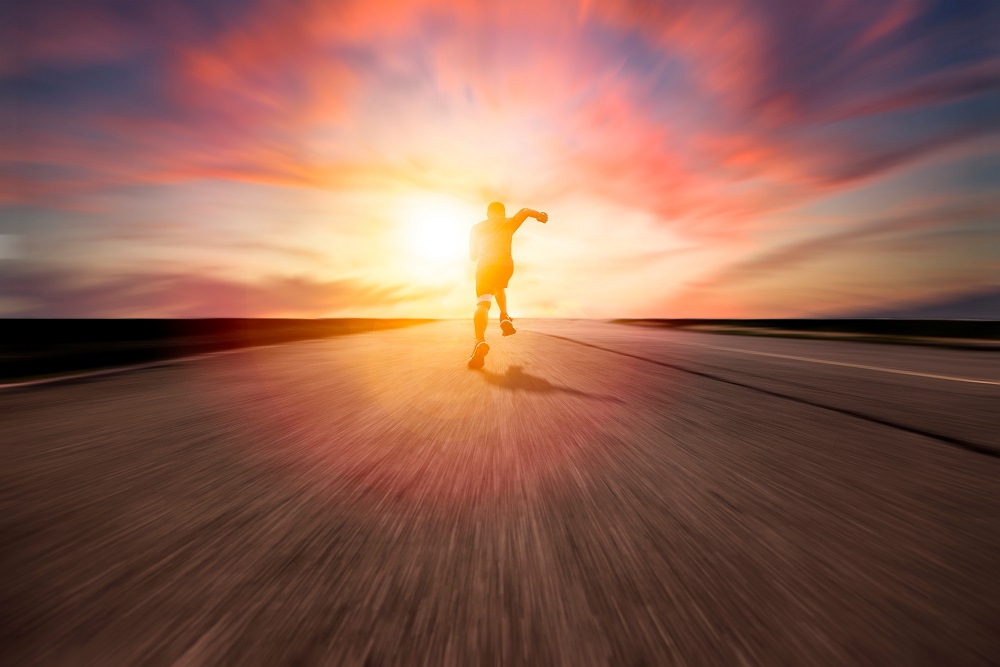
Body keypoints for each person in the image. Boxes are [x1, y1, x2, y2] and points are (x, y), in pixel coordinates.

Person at [467, 201, 547, 368]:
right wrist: (539, 215)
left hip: (485, 266)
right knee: (499, 287)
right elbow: (525, 211)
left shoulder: (477, 228)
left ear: (488, 214)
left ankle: (480, 341)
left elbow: (473, 256)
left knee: (483, 302)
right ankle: (504, 316)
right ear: (503, 213)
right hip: (505, 265)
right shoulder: (508, 222)